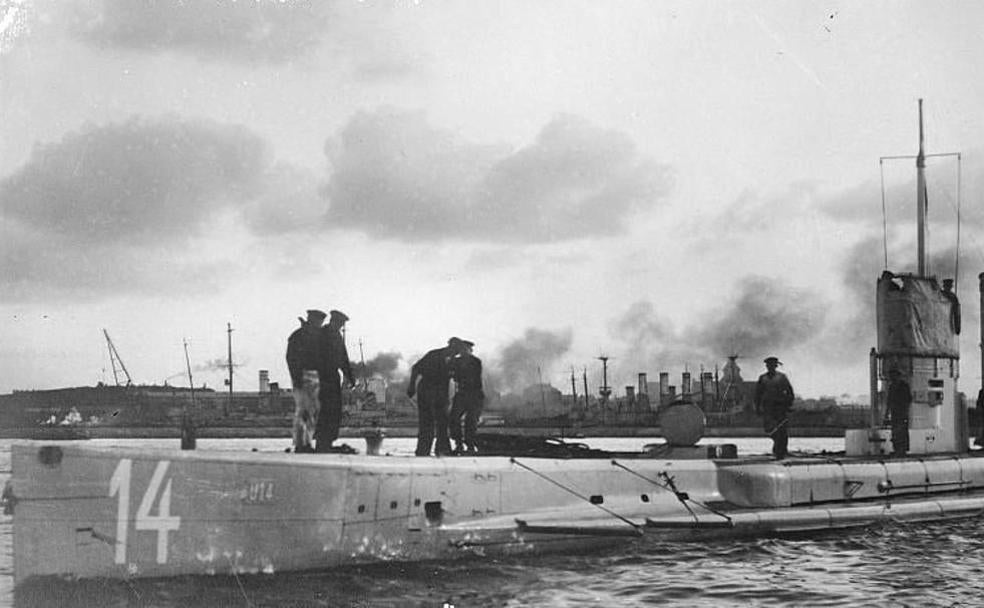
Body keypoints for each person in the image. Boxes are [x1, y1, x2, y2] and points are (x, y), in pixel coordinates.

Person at [407, 338, 465, 456]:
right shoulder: (434, 355)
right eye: (457, 350)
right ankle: (423, 451)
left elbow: (457, 376)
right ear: (452, 346)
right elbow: (416, 368)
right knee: (427, 422)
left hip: (441, 393)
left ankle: (442, 450)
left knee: (443, 421)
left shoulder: (454, 360)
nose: (457, 353)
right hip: (426, 390)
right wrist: (411, 386)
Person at [286, 309, 328, 453]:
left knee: (311, 412)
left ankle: (304, 442)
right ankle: (301, 443)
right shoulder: (302, 337)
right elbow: (292, 359)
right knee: (305, 411)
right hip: (305, 376)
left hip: (311, 376)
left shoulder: (302, 336)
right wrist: (296, 377)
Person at [315, 309, 356, 453]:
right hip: (326, 377)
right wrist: (350, 377)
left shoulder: (329, 334)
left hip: (329, 377)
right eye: (340, 323)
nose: (341, 326)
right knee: (329, 410)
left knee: (331, 411)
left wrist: (349, 377)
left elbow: (343, 358)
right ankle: (324, 442)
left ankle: (325, 441)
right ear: (335, 321)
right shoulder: (328, 335)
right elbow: (342, 358)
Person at [754, 356, 795, 459]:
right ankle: (778, 447)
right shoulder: (763, 378)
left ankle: (781, 450)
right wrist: (758, 407)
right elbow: (758, 394)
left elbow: (790, 392)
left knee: (782, 429)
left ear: (776, 366)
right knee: (769, 429)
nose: (770, 367)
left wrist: (788, 404)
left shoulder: (782, 377)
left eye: (772, 365)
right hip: (768, 407)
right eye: (768, 365)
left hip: (780, 407)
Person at [448, 340, 485, 455]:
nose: (464, 351)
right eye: (462, 349)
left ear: (470, 350)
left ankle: (470, 444)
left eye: (466, 349)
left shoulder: (475, 362)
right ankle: (458, 443)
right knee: (453, 418)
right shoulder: (456, 361)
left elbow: (472, 377)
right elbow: (450, 371)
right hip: (462, 393)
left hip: (474, 394)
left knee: (471, 420)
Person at [886, 368, 912, 456]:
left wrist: (905, 411)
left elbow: (908, 399)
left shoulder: (904, 386)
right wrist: (887, 413)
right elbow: (889, 401)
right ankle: (897, 449)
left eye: (893, 375)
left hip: (901, 412)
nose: (891, 377)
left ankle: (902, 450)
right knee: (895, 432)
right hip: (895, 413)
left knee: (901, 431)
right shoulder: (892, 386)